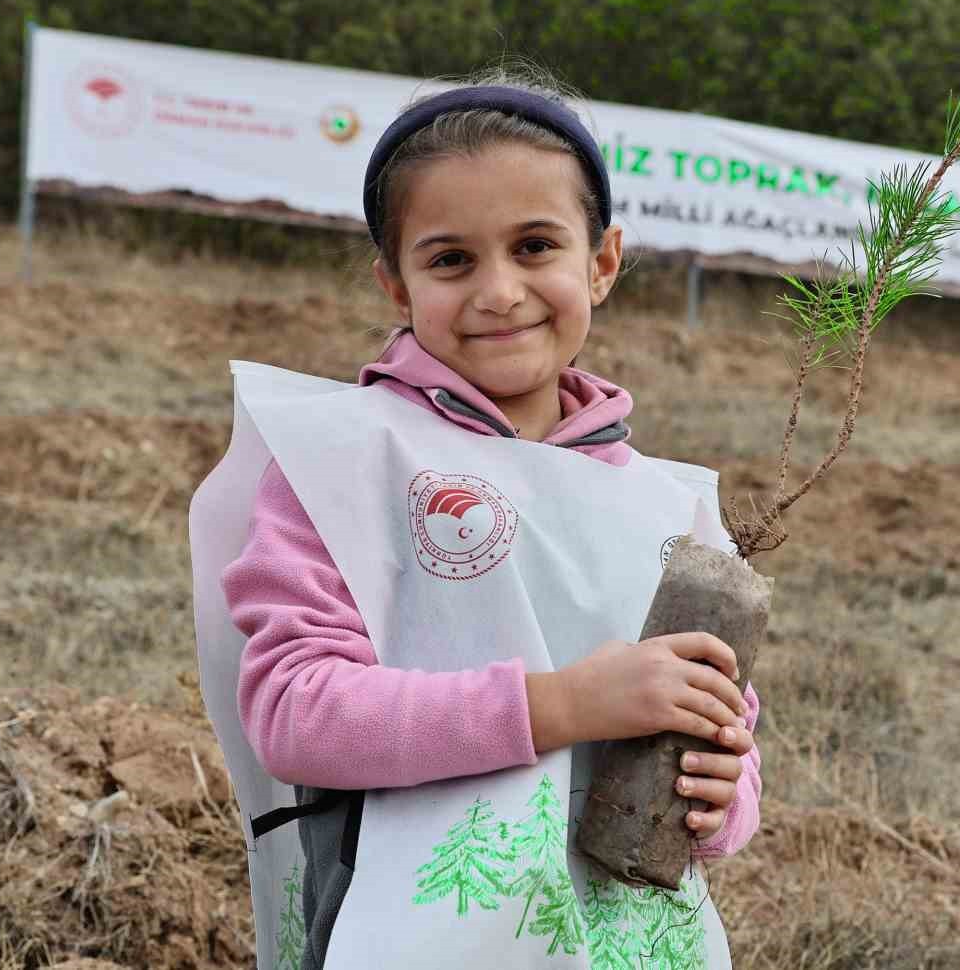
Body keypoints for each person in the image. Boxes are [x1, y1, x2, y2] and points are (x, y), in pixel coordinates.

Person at [216, 66, 762, 969]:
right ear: (396, 284)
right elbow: (293, 710)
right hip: (401, 929)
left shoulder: (669, 507)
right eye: (451, 259)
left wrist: (722, 794)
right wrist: (560, 705)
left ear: (603, 261)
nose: (499, 290)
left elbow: (731, 730)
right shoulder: (344, 460)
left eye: (537, 246)